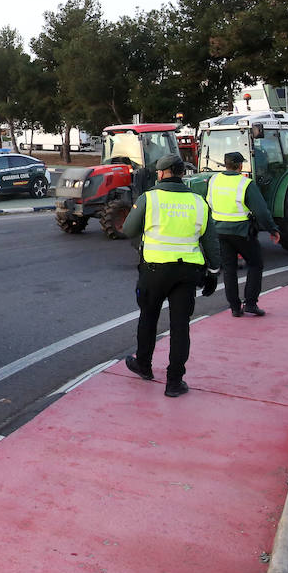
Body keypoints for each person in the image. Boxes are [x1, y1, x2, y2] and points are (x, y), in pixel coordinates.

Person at [120, 155, 221, 398]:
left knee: (148, 317)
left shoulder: (150, 198)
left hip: (154, 270)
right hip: (187, 272)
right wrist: (214, 272)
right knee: (180, 327)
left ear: (164, 173)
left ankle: (144, 365)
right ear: (181, 173)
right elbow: (211, 242)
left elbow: (128, 229)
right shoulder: (199, 202)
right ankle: (174, 382)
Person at [208, 151, 281, 317]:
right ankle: (250, 303)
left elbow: (210, 203)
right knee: (255, 264)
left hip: (220, 231)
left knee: (229, 269)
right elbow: (261, 212)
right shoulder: (245, 184)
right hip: (242, 231)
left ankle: (234, 307)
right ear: (240, 166)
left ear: (225, 164)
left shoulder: (214, 180)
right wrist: (272, 229)